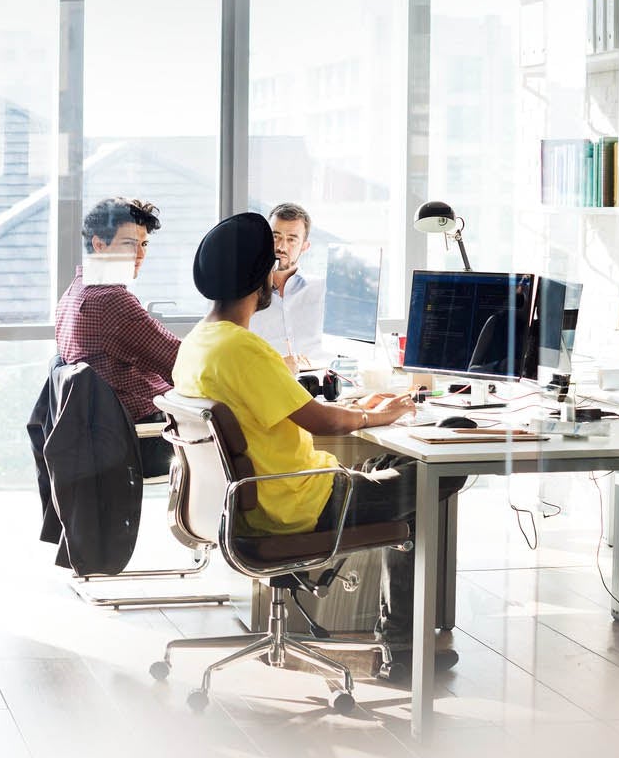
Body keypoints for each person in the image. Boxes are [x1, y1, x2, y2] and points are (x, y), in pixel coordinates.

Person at [170, 213, 459, 677]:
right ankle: (405, 649)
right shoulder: (242, 348)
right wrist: (375, 414)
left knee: (395, 462)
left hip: (258, 500)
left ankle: (403, 638)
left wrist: (365, 407)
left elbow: (288, 405)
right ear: (260, 277)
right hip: (301, 502)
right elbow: (320, 419)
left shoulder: (199, 342)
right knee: (439, 469)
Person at [53, 196, 178, 478]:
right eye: (129, 244)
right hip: (142, 439)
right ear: (99, 244)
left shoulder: (74, 292)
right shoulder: (112, 300)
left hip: (103, 436)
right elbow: (181, 363)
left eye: (144, 244)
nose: (140, 255)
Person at [258, 202, 325, 371]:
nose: (281, 246)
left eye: (292, 239)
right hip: (266, 381)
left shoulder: (323, 291)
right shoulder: (244, 296)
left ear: (305, 246)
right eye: (275, 236)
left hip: (318, 382)